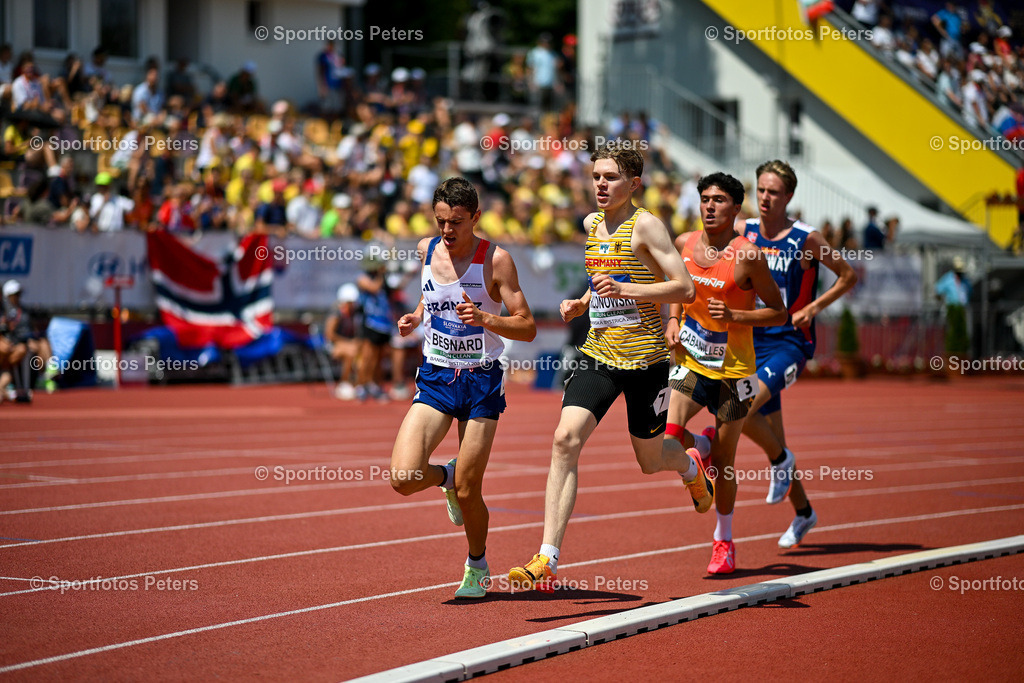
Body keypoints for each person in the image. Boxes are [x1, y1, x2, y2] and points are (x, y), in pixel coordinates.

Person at [508, 145, 709, 592]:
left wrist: (625, 288)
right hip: (598, 355)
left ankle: (691, 468)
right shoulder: (592, 224)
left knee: (650, 459)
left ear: (633, 184)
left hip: (646, 363)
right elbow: (602, 281)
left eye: (610, 178)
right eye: (596, 176)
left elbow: (686, 288)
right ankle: (547, 558)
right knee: (564, 439)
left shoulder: (648, 227)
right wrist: (584, 300)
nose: (600, 185)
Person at [388, 176, 536, 599]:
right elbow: (431, 294)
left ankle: (477, 564)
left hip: (481, 380)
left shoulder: (496, 260)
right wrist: (417, 316)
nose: (447, 232)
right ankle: (445, 476)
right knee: (403, 477)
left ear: (475, 217)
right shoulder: (425, 250)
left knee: (472, 491)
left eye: (456, 222)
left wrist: (486, 319)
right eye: (440, 222)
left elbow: (526, 326)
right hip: (436, 376)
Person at [663, 171, 788, 575]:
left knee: (728, 460)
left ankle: (724, 540)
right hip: (692, 362)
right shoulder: (684, 243)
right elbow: (676, 290)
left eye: (719, 200)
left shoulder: (748, 255)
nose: (710, 206)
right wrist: (674, 320)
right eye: (705, 199)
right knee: (669, 435)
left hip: (736, 373)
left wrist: (735, 315)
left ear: (736, 208)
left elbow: (778, 311)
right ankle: (704, 445)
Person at [738, 160, 858, 555]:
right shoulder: (746, 231)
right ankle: (804, 510)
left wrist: (814, 308)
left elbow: (847, 275)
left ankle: (777, 459)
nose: (765, 197)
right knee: (775, 438)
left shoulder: (807, 238)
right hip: (752, 341)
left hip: (791, 342)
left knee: (741, 408)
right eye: (760, 190)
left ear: (788, 196)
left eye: (773, 192)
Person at [326, 283, 360, 400]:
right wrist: (347, 342)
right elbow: (329, 334)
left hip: (349, 344)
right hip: (333, 345)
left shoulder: (355, 313)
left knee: (363, 350)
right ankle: (343, 383)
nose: (354, 305)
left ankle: (360, 383)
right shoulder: (336, 312)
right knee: (351, 352)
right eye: (351, 302)